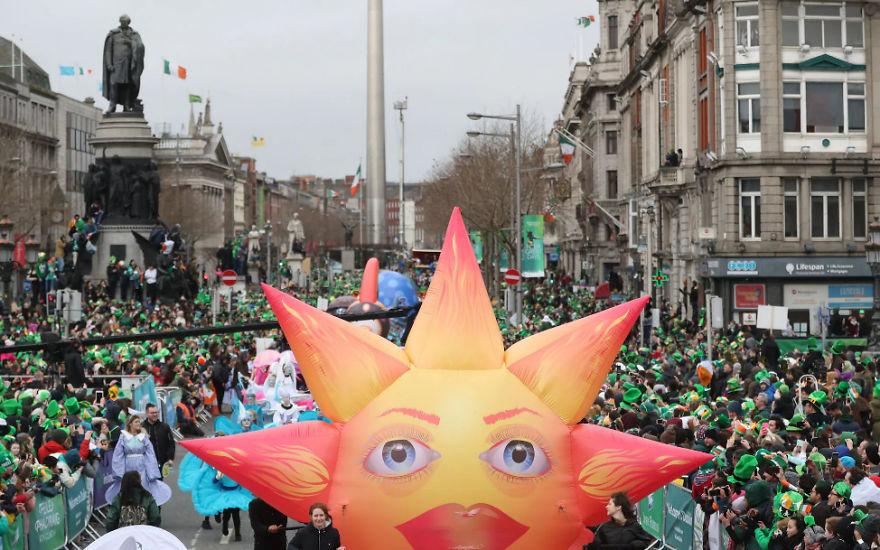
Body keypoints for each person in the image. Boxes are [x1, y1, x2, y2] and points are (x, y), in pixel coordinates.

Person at [105, 415, 172, 506]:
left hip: (142, 468)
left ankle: (143, 513)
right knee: (128, 490)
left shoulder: (143, 437)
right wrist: (119, 472)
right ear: (130, 424)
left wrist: (152, 471)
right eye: (136, 422)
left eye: (139, 422)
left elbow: (150, 454)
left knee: (142, 488)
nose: (138, 424)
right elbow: (118, 455)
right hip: (128, 468)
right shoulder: (123, 437)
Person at [587, 492, 652, 550]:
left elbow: (646, 541)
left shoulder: (634, 526)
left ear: (618, 507)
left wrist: (634, 545)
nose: (606, 507)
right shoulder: (604, 527)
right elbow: (594, 546)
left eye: (610, 504)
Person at [143, 403, 175, 478]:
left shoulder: (165, 427)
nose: (155, 414)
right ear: (147, 413)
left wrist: (170, 458)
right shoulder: (142, 427)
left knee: (159, 484)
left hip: (161, 462)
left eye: (156, 412)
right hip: (146, 463)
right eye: (152, 413)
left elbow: (171, 443)